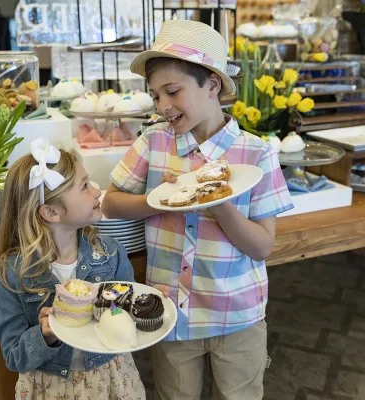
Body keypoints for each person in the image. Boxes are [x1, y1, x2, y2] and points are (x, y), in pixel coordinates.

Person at [102, 19, 293, 400]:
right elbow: (110, 202)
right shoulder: (154, 141)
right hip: (171, 313)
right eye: (156, 95)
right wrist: (159, 201)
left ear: (213, 84)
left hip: (237, 315)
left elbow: (261, 247)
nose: (163, 105)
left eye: (172, 91)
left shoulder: (256, 153)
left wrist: (217, 205)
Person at [0, 139, 146, 399]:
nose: (96, 191)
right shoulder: (7, 278)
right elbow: (14, 356)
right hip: (50, 387)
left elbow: (127, 311)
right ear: (50, 212)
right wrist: (45, 334)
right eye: (84, 186)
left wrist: (148, 304)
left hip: (111, 377)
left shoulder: (110, 253)